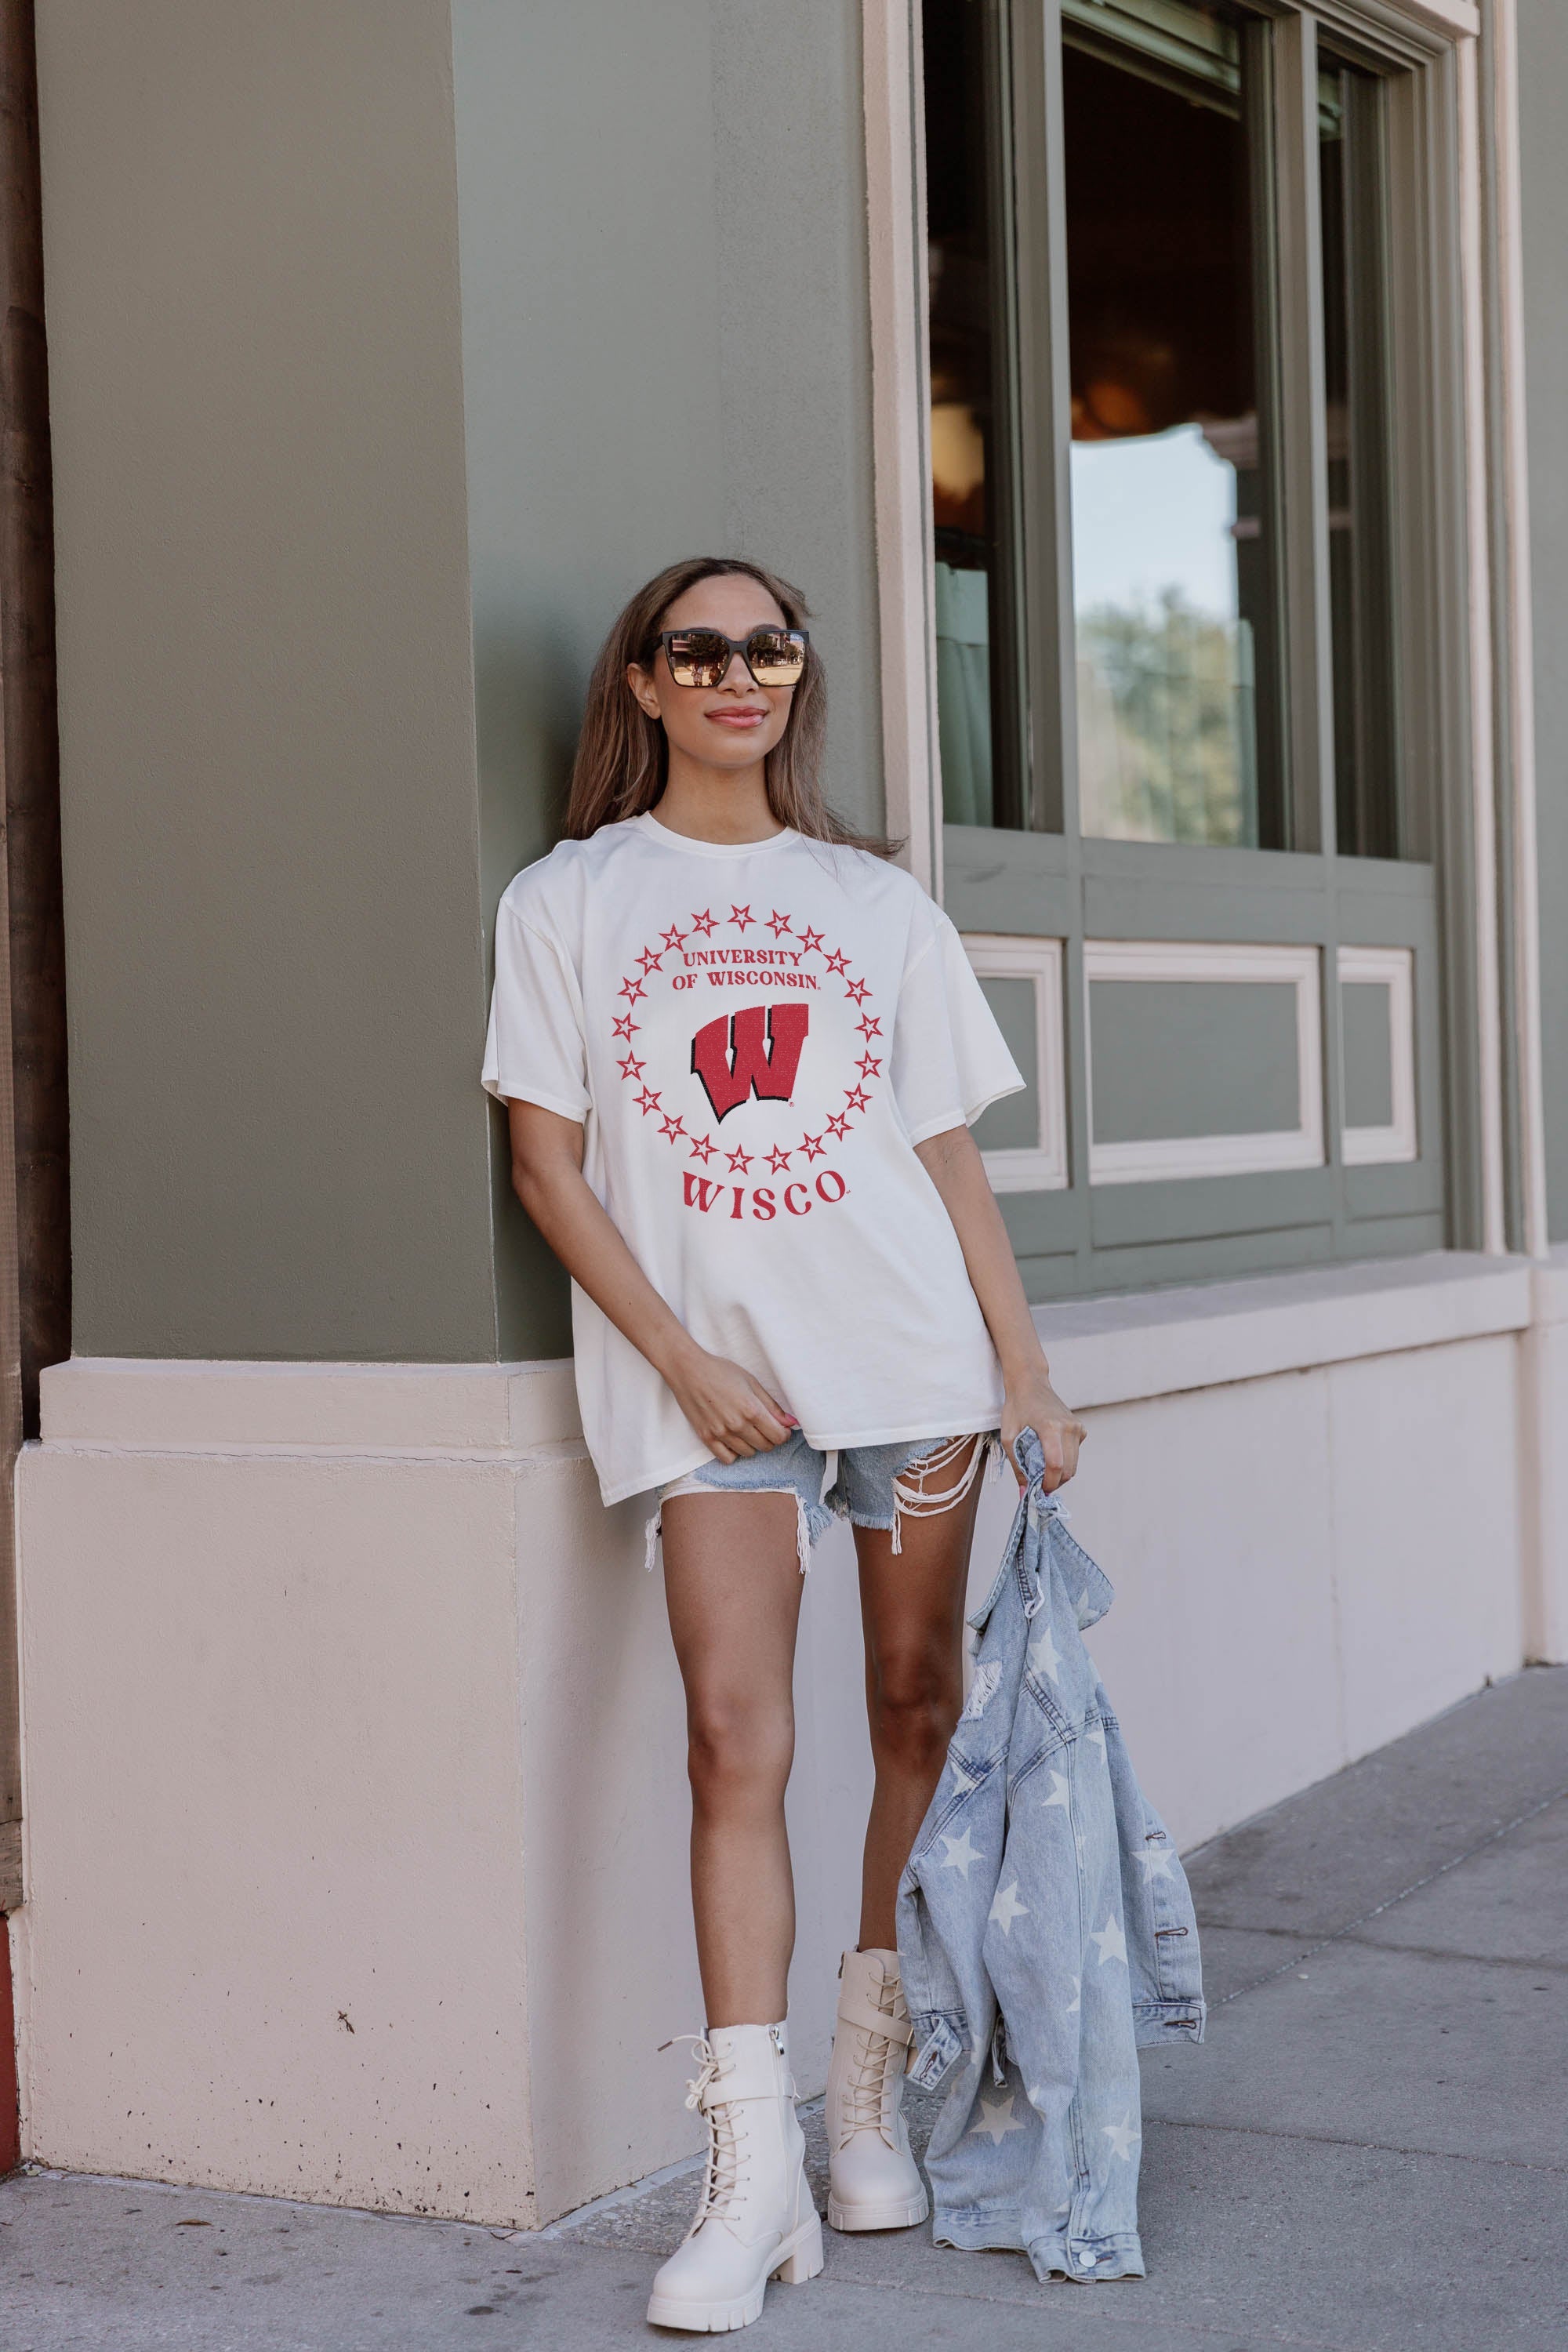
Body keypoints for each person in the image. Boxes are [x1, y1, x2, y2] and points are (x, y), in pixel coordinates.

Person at [483, 555, 1085, 2333]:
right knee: (730, 1739)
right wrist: (680, 1357)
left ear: (793, 678)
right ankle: (749, 2177)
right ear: (646, 687)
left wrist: (1024, 1371)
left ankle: (867, 2082)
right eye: (698, 650)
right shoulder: (571, 898)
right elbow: (546, 1165)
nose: (737, 674)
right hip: (711, 1394)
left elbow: (943, 1156)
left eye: (766, 646)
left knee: (918, 1709)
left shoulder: (873, 902)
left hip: (907, 1371)